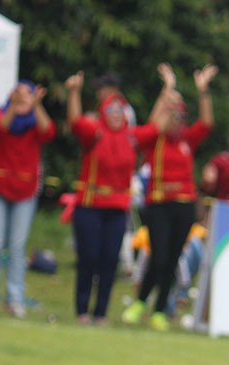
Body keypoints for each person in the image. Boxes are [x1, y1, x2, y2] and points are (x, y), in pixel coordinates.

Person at [65, 68, 170, 325]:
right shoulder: (95, 132)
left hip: (117, 207)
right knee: (88, 257)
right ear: (103, 112)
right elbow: (75, 121)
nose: (114, 115)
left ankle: (100, 313)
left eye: (119, 111)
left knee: (109, 260)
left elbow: (157, 124)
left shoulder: (131, 137)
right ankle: (81, 310)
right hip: (90, 205)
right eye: (110, 111)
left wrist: (167, 89)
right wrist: (74, 92)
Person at [122, 63, 215, 331]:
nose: (177, 122)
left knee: (172, 258)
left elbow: (207, 123)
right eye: (173, 116)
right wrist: (168, 89)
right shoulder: (155, 140)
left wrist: (203, 91)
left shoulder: (187, 140)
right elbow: (151, 125)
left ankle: (159, 310)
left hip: (185, 205)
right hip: (159, 204)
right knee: (159, 256)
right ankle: (141, 302)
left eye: (180, 117)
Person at [0, 80, 56, 318]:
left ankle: (14, 299)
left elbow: (49, 131)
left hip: (25, 192)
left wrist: (37, 106)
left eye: (28, 96)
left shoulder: (34, 122)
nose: (23, 100)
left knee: (16, 246)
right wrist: (13, 105)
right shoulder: (1, 114)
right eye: (19, 95)